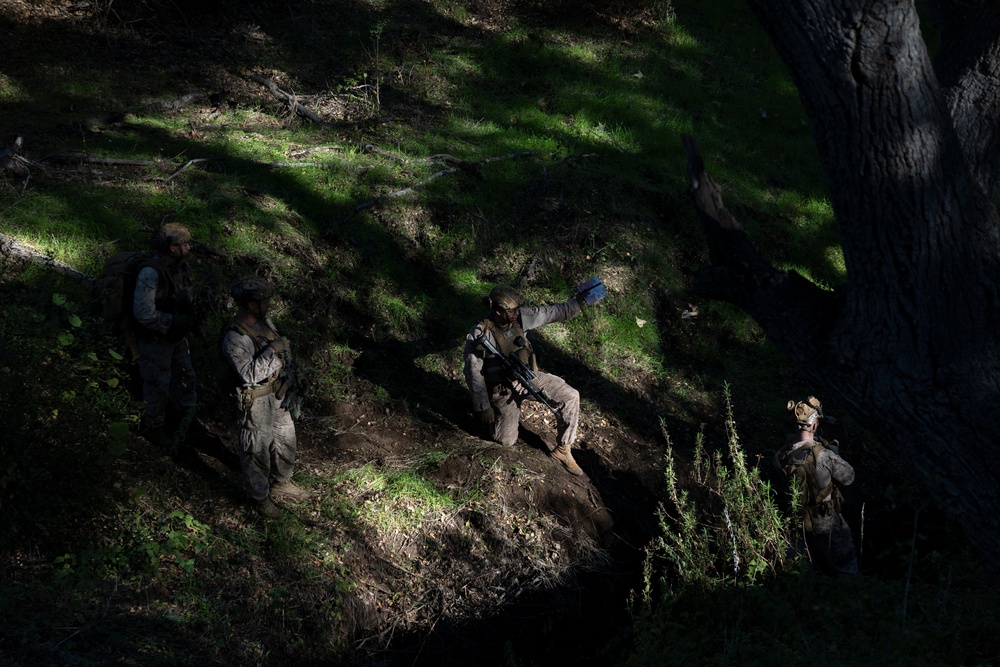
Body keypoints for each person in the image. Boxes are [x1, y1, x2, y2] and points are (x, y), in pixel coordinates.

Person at [463, 283, 603, 476]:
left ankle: (563, 450)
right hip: (502, 389)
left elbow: (553, 312)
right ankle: (492, 419)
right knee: (505, 441)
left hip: (530, 377)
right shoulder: (479, 333)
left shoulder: (521, 318)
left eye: (516, 310)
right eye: (511, 311)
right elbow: (473, 372)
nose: (516, 314)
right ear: (497, 311)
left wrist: (580, 301)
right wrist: (483, 405)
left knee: (570, 396)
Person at [222, 276, 310, 517]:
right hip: (256, 400)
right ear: (251, 305)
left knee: (286, 437)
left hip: (278, 393)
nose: (268, 305)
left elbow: (284, 350)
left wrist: (296, 373)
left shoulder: (265, 323)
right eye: (265, 301)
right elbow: (247, 374)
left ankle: (282, 481)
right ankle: (259, 497)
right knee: (256, 448)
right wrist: (273, 351)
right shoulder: (235, 336)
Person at [133, 222, 199, 450]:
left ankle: (187, 422)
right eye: (185, 244)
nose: (189, 247)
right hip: (155, 339)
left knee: (185, 377)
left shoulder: (179, 267)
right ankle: (153, 428)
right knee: (157, 384)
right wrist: (174, 321)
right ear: (172, 247)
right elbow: (143, 313)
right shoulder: (151, 272)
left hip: (175, 336)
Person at [775, 396, 858, 575]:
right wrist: (834, 453)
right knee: (846, 568)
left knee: (800, 574)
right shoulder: (823, 455)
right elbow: (849, 477)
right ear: (814, 426)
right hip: (825, 522)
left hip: (795, 523)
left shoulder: (781, 456)